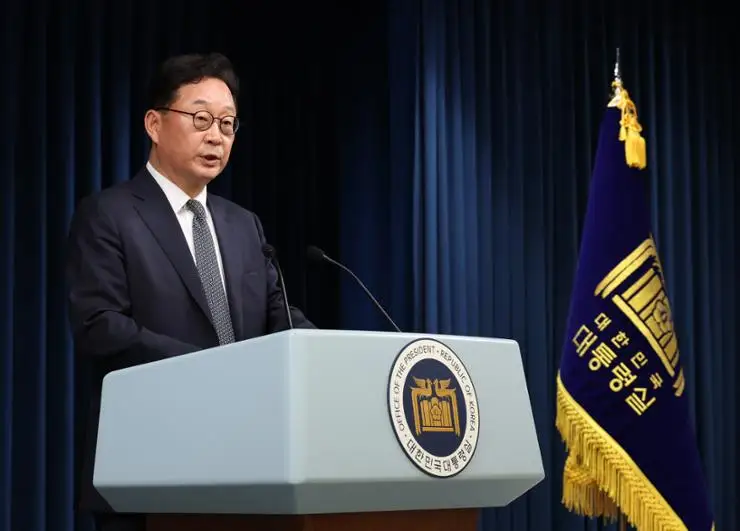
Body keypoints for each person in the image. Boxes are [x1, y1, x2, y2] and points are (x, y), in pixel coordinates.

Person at [66, 52, 314, 531]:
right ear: (154, 124)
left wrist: (325, 355)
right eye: (201, 118)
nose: (216, 135)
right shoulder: (109, 214)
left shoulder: (245, 226)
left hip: (247, 470)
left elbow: (277, 316)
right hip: (147, 469)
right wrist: (212, 372)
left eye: (228, 124)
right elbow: (100, 327)